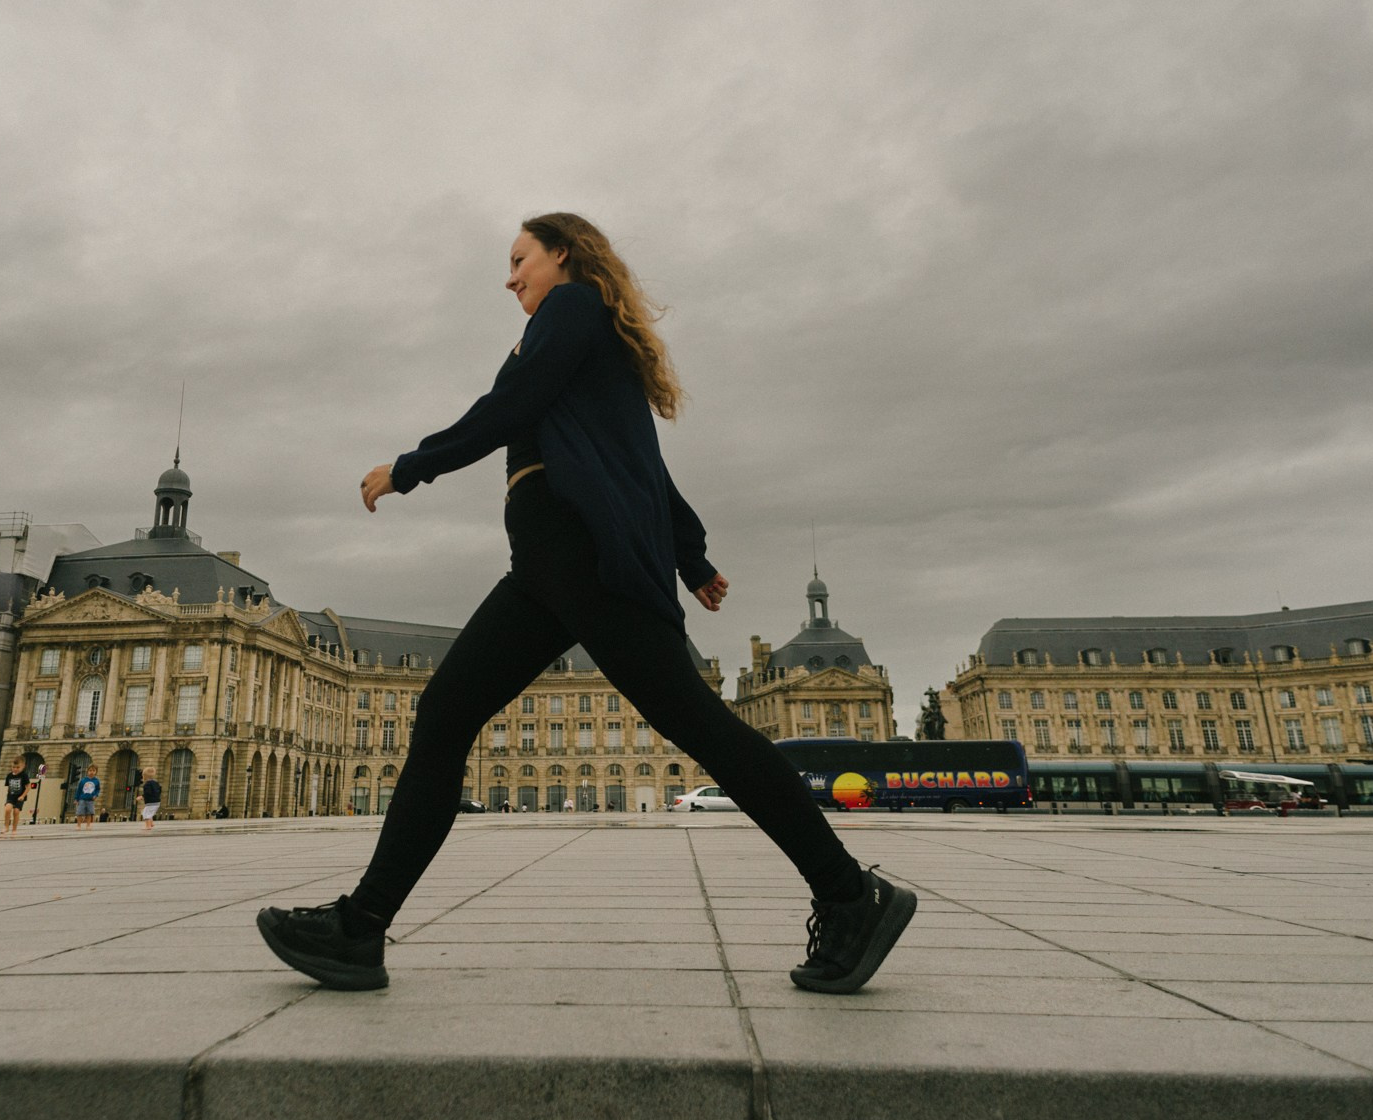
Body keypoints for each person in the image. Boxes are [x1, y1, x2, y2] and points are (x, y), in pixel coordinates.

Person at [258, 212, 917, 995]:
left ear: (562, 253)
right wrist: (691, 552)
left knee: (695, 725)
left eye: (518, 259)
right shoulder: (585, 334)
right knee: (444, 714)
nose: (510, 279)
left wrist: (411, 466)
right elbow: (636, 456)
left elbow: (514, 409)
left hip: (579, 561)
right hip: (550, 569)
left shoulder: (570, 311)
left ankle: (850, 893)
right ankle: (360, 929)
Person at [1, 756, 31, 836]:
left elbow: (28, 787)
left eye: (18, 767)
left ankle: (14, 829)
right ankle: (6, 826)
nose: (15, 769)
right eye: (14, 767)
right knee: (7, 809)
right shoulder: (9, 776)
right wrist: (9, 795)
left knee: (16, 812)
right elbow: (8, 786)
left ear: (23, 766)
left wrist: (23, 796)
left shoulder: (24, 775)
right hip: (11, 796)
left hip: (20, 796)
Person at [74, 767, 102, 831]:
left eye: (93, 771)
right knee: (79, 812)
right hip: (82, 798)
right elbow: (79, 790)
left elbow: (98, 789)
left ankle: (88, 825)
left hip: (90, 799)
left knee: (89, 813)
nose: (91, 772)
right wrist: (76, 799)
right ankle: (78, 825)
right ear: (87, 771)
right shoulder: (83, 780)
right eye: (90, 770)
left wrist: (96, 795)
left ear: (96, 772)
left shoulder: (96, 781)